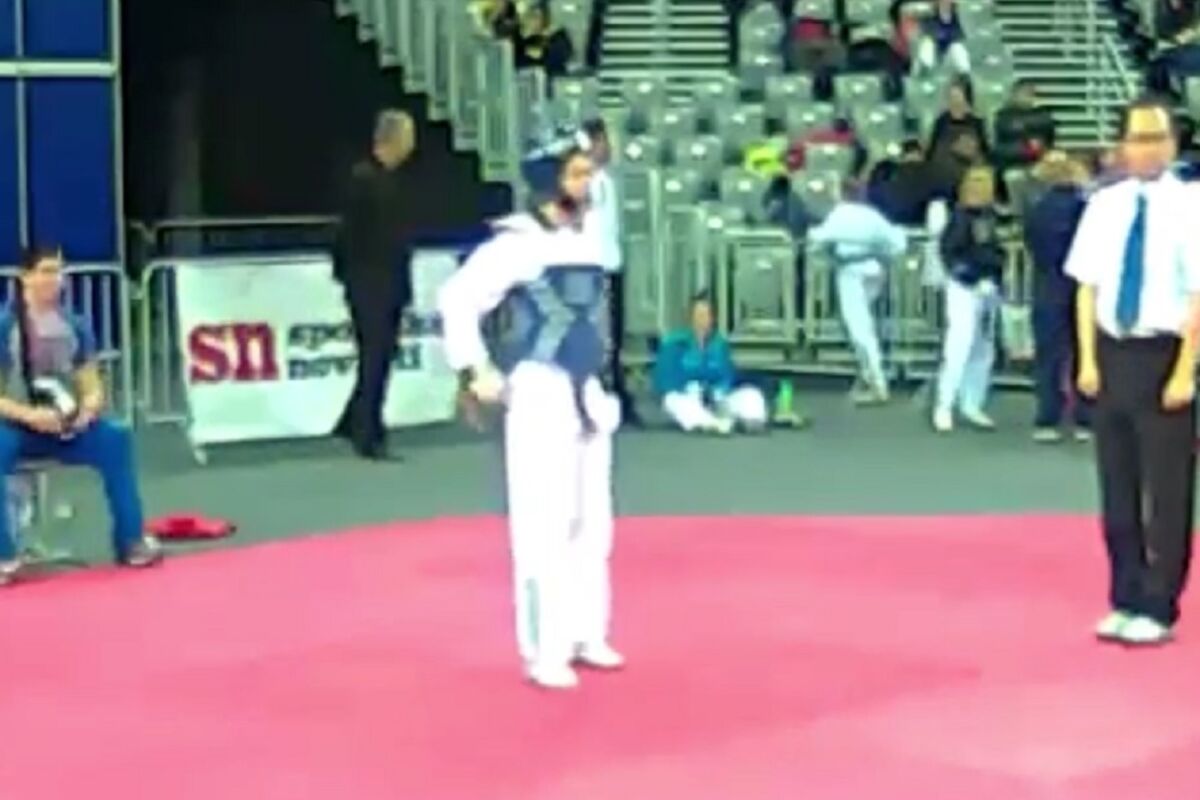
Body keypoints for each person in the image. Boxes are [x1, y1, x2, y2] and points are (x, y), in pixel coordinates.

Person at [437, 128, 624, 690]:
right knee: (544, 520)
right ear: (548, 182)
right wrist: (475, 368)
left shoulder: (590, 234)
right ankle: (546, 649)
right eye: (576, 174)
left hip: (588, 388)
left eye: (588, 173)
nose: (587, 182)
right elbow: (456, 298)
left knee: (592, 521)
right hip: (540, 388)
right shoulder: (514, 244)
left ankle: (587, 631)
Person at [1065, 96, 1200, 646]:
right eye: (1138, 139)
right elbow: (1087, 286)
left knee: (1166, 491)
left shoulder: (1190, 206)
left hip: (1165, 351)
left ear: (1173, 143)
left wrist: (1186, 371)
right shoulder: (1105, 205)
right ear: (1121, 146)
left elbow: (1198, 295)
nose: (1148, 149)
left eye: (1158, 138)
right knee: (1116, 487)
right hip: (1111, 351)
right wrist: (1087, 358)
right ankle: (1124, 596)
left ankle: (1159, 604)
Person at [0, 247, 162, 585]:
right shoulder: (5, 327)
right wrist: (29, 415)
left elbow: (91, 382)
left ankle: (130, 542)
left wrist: (88, 408)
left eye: (58, 272)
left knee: (115, 438)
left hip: (65, 425)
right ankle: (5, 556)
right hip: (16, 426)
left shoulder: (75, 325)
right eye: (46, 271)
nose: (54, 279)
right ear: (25, 277)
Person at [332, 110, 415, 461]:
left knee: (381, 354)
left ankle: (355, 420)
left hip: (386, 280)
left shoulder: (390, 181)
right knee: (375, 355)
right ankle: (367, 431)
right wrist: (351, 275)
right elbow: (349, 234)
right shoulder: (364, 180)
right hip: (370, 281)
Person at [807, 174, 908, 404]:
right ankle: (867, 375)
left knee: (860, 328)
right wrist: (880, 252)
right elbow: (898, 243)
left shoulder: (841, 214)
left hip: (851, 273)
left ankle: (877, 382)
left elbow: (819, 238)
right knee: (863, 325)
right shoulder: (872, 215)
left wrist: (813, 237)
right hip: (874, 271)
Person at [932, 164, 1005, 433]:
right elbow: (950, 254)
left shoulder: (992, 217)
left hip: (989, 287)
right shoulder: (959, 218)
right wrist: (972, 278)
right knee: (959, 345)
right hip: (964, 288)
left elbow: (996, 252)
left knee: (983, 349)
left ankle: (972, 402)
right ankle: (944, 404)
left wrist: (994, 277)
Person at [1023, 152, 1090, 441]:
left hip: (1048, 282)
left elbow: (1031, 242)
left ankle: (1047, 417)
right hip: (1081, 283)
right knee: (1083, 350)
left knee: (1048, 353)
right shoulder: (1087, 208)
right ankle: (1084, 417)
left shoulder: (1037, 208)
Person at [582, 118, 639, 424]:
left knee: (614, 337)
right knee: (595, 338)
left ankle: (617, 394)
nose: (608, 147)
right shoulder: (584, 181)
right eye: (602, 141)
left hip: (612, 264)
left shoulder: (607, 180)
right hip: (593, 268)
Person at [653, 295, 769, 433]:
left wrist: (718, 390)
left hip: (716, 399)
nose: (702, 320)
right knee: (672, 400)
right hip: (688, 397)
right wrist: (690, 388)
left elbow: (727, 376)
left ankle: (752, 420)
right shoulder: (674, 343)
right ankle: (709, 424)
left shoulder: (719, 344)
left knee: (751, 394)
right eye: (698, 315)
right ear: (690, 318)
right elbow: (665, 380)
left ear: (712, 319)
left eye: (706, 315)